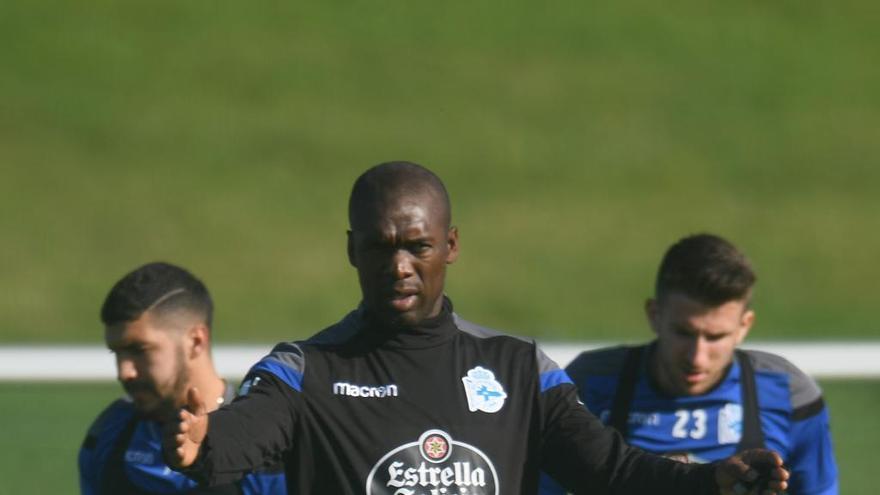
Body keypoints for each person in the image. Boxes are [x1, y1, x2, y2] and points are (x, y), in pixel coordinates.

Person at [164, 162, 788, 494]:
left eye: (418, 245)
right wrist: (205, 443)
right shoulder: (306, 370)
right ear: (351, 250)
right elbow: (250, 432)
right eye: (380, 249)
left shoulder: (519, 368)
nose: (400, 266)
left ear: (451, 245)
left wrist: (711, 480)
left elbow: (612, 472)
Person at [541, 234, 837, 495]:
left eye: (715, 336)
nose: (697, 356)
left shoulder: (788, 391)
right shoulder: (589, 383)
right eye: (684, 333)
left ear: (744, 326)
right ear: (654, 315)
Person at [79, 262, 286, 494]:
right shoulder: (110, 432)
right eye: (116, 353)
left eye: (139, 350)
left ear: (195, 341)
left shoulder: (262, 442)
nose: (124, 371)